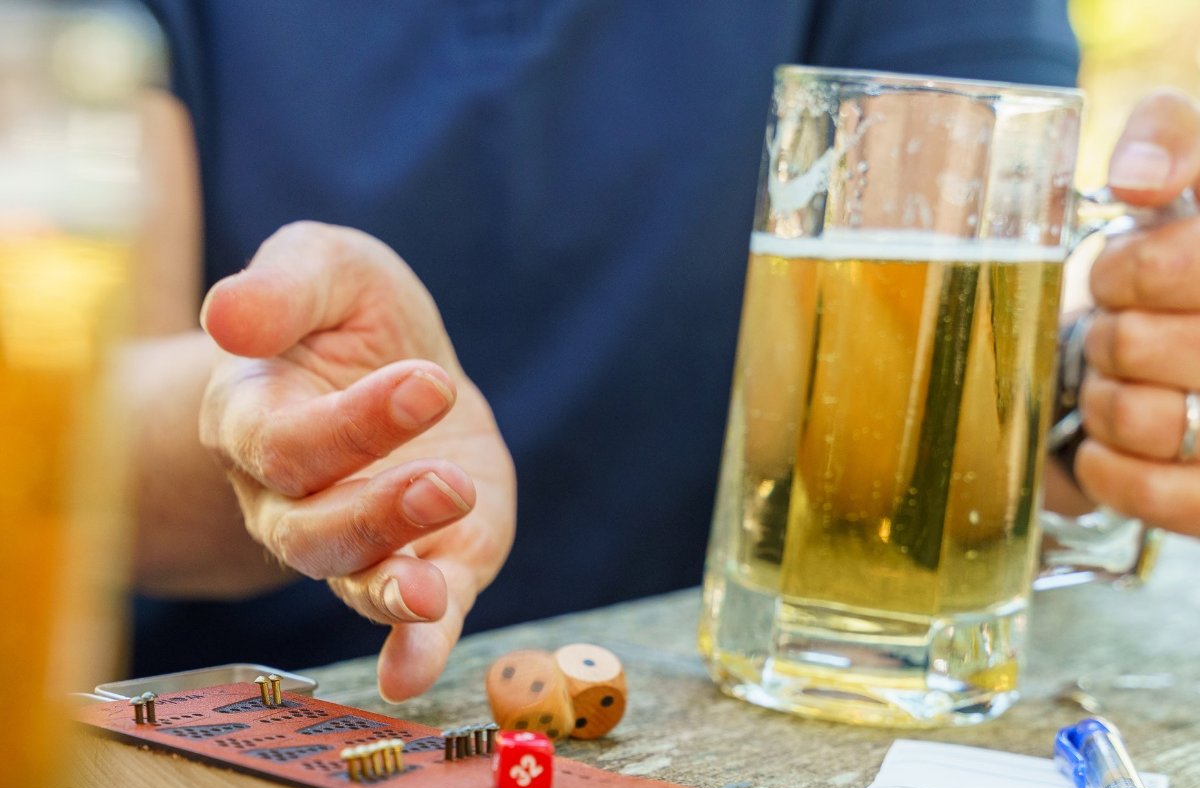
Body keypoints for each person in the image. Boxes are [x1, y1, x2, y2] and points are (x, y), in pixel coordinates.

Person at [124, 1, 1200, 703]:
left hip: (735, 726)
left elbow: (962, 334)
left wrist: (1110, 389)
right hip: (216, 740)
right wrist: (279, 429)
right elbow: (61, 419)